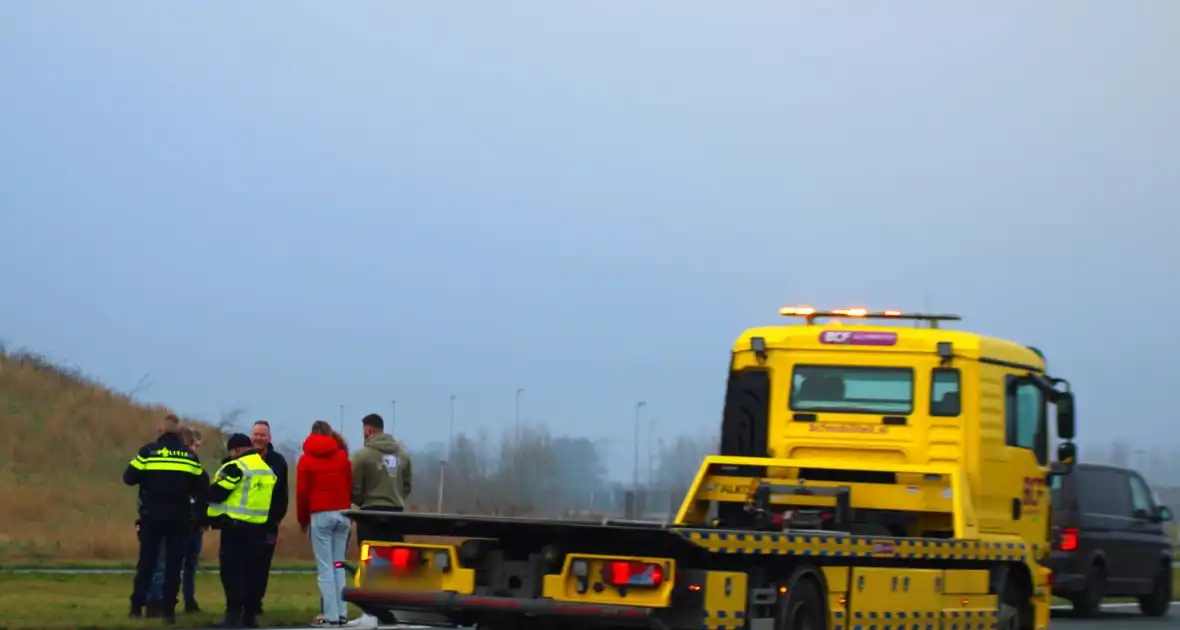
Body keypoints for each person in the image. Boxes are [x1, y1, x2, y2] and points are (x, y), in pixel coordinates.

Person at [124, 414, 205, 624]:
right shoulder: (188, 456)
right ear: (179, 434)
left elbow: (129, 477)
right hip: (178, 518)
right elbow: (202, 484)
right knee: (173, 565)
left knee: (147, 563)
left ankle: (136, 608)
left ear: (160, 431)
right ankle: (169, 612)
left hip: (152, 516)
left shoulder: (148, 452)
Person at [346, 413, 412, 629]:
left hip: (371, 513)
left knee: (370, 563)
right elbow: (407, 486)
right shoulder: (403, 454)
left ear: (367, 430)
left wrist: (361, 500)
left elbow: (354, 487)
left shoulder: (363, 455)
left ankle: (372, 613)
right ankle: (395, 610)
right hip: (396, 512)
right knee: (394, 564)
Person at [208, 433, 278, 629]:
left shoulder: (236, 467)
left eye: (231, 452)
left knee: (232, 574)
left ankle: (232, 616)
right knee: (252, 574)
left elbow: (217, 493)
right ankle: (249, 616)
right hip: (258, 529)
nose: (230, 456)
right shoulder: (266, 469)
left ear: (237, 450)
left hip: (235, 530)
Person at [144, 426, 209, 616]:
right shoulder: (173, 468)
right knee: (164, 563)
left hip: (193, 523)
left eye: (197, 446)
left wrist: (203, 518)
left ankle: (188, 600)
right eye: (193, 445)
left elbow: (204, 494)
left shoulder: (196, 469)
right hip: (177, 522)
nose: (195, 450)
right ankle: (158, 602)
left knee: (188, 565)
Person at [297, 421, 354, 628]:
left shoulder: (305, 460)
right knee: (338, 564)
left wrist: (303, 520)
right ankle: (342, 613)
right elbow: (350, 484)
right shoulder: (341, 456)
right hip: (342, 514)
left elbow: (302, 494)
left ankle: (330, 615)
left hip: (320, 515)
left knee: (325, 568)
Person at [249, 420, 289, 617]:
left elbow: (283, 494)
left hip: (267, 524)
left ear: (269, 438)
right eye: (255, 434)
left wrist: (276, 518)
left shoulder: (278, 461)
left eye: (262, 435)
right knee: (243, 564)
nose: (258, 438)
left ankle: (256, 603)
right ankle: (241, 603)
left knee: (262, 565)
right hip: (245, 523)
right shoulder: (243, 459)